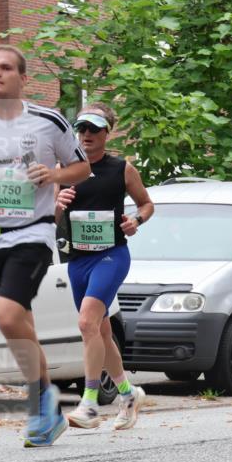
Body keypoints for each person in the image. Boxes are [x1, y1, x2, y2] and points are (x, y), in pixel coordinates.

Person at [0, 45, 90, 447]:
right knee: (17, 321)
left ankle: (42, 402)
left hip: (34, 232)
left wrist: (54, 173)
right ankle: (46, 403)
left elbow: (83, 168)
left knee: (9, 317)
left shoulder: (47, 121)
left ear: (23, 78)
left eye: (5, 68)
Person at [56, 102, 154, 431]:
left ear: (106, 133)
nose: (86, 135)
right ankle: (128, 395)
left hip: (111, 255)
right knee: (100, 330)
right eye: (81, 128)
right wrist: (56, 205)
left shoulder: (121, 168)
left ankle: (89, 404)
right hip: (78, 259)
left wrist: (135, 220)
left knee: (86, 323)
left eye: (94, 129)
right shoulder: (65, 168)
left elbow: (146, 203)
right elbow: (48, 219)